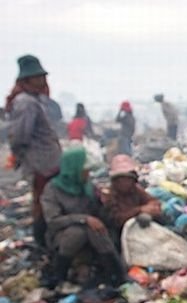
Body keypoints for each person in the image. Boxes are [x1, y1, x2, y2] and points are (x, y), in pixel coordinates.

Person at [40, 147, 126, 287]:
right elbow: (53, 221)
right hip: (62, 235)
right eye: (84, 170)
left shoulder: (87, 186)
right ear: (74, 169)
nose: (87, 173)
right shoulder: (52, 190)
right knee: (78, 232)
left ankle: (117, 274)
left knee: (93, 230)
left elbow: (100, 216)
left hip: (92, 232)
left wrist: (104, 203)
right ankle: (59, 273)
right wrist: (83, 219)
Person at [5, 54, 62, 247]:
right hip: (40, 163)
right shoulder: (25, 102)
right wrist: (19, 155)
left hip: (48, 160)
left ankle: (47, 239)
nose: (43, 80)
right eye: (38, 77)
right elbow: (20, 135)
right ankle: (42, 241)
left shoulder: (36, 100)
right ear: (27, 80)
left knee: (48, 199)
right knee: (42, 202)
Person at [103, 154, 161, 242]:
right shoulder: (108, 195)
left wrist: (152, 207)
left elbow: (152, 200)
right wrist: (139, 210)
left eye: (127, 179)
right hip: (120, 233)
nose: (124, 183)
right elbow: (117, 220)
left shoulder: (135, 189)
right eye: (121, 179)